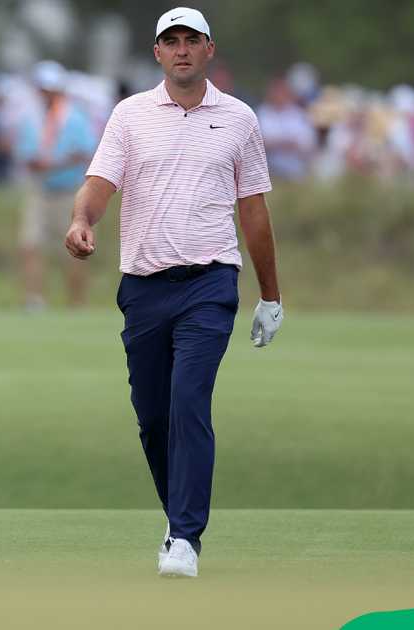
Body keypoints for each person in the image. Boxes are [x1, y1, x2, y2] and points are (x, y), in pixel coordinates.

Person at [64, 7, 283, 578]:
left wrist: (271, 296)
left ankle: (185, 537)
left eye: (192, 40)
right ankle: (176, 520)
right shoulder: (130, 114)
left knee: (190, 403)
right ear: (157, 52)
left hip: (210, 283)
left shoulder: (238, 120)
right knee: (152, 417)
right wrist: (82, 220)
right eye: (171, 41)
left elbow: (254, 212)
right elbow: (100, 183)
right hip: (143, 285)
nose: (182, 49)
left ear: (209, 50)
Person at [16, 61, 97, 309]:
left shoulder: (75, 118)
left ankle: (76, 303)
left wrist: (52, 164)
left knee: (74, 248)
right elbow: (27, 155)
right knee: (31, 244)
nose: (46, 93)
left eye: (50, 88)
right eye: (42, 88)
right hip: (40, 191)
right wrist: (47, 164)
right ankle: (35, 300)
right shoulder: (31, 119)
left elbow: (84, 153)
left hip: (69, 193)